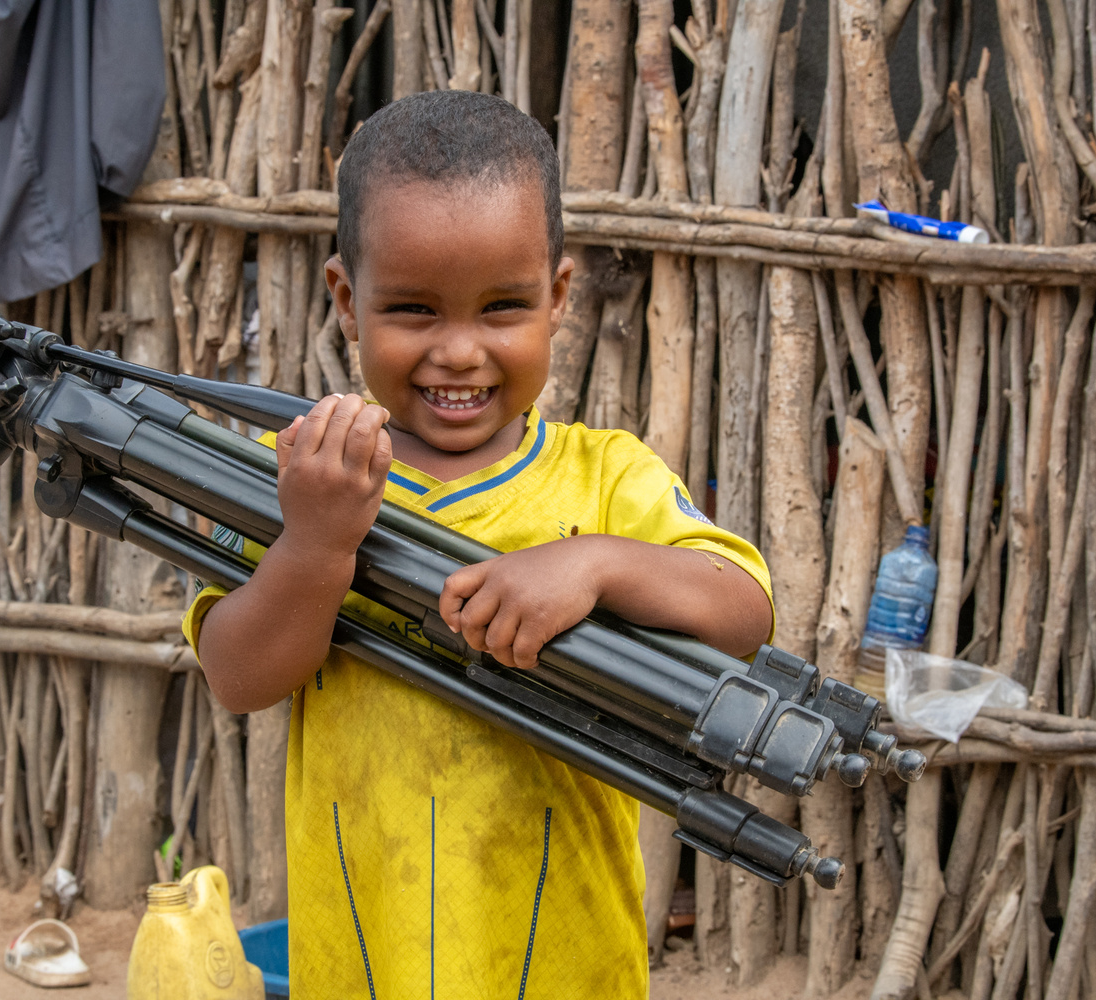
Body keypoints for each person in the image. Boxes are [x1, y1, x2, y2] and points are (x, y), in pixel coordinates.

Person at [183, 90, 775, 998]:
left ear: (560, 297)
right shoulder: (295, 475)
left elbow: (742, 608)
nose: (459, 352)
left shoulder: (604, 480)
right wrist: (314, 546)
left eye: (503, 307)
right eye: (415, 310)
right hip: (366, 957)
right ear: (347, 299)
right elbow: (237, 674)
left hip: (561, 958)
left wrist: (598, 563)